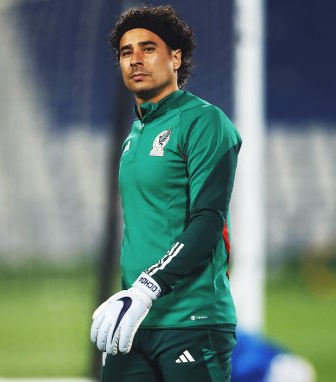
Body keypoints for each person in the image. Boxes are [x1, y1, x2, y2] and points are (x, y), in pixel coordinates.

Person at [90, 5, 242, 381]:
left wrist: (146, 287)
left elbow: (209, 220)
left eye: (148, 48)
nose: (135, 60)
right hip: (135, 320)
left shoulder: (204, 121)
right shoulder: (135, 135)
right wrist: (133, 298)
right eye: (126, 52)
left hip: (192, 319)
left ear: (176, 57)